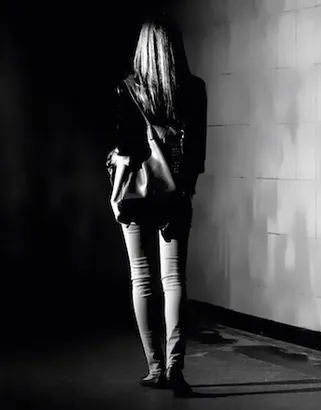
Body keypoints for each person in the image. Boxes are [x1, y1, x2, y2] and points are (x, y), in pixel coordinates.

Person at [110, 12, 206, 398]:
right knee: (174, 280)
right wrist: (184, 191)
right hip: (175, 195)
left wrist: (116, 195)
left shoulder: (128, 90)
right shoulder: (195, 89)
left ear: (143, 47)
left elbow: (126, 152)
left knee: (142, 279)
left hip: (136, 195)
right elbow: (197, 156)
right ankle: (176, 368)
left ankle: (154, 368)